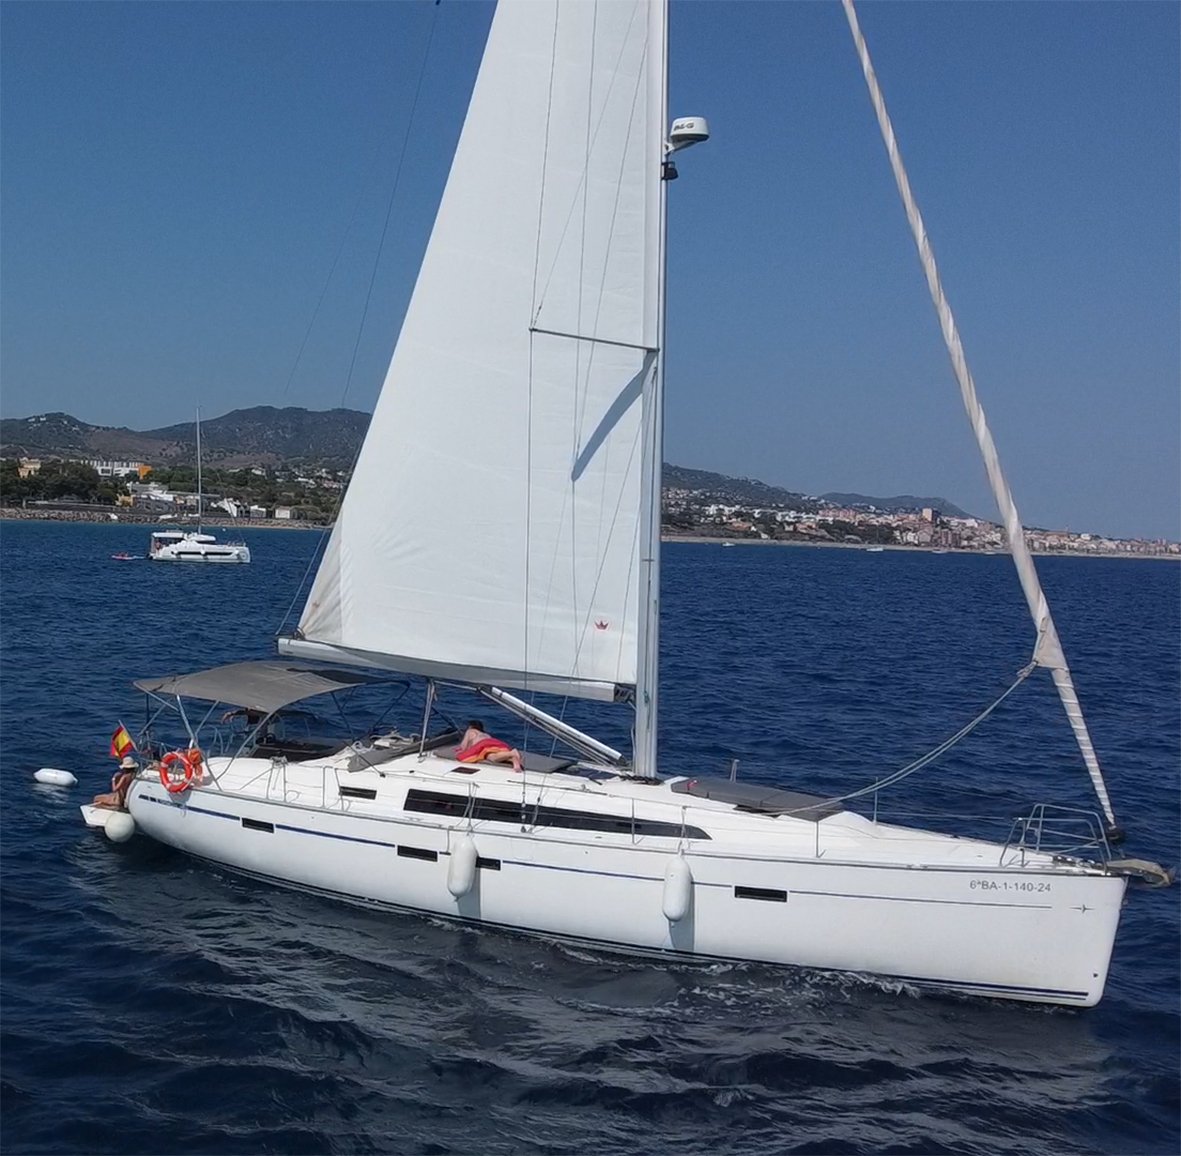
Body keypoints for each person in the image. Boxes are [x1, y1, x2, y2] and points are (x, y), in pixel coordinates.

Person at [456, 720, 522, 772]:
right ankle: (512, 758)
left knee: (492, 757)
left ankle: (512, 753)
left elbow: (464, 745)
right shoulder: (485, 734)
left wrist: (460, 750)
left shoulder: (470, 731)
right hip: (496, 742)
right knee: (493, 756)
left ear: (470, 727)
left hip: (483, 744)